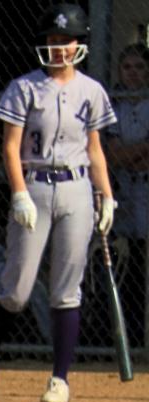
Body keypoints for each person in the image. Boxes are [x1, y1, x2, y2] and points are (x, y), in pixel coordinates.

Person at [0, 4, 116, 402]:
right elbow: (11, 147)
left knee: (67, 289)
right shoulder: (24, 87)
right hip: (35, 187)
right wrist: (18, 193)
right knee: (16, 290)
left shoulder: (91, 91)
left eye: (65, 41)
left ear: (78, 45)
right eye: (52, 41)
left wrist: (106, 195)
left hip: (76, 188)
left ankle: (59, 379)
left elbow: (95, 150)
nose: (59, 49)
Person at [104, 44, 149, 345]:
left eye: (140, 67)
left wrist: (129, 153)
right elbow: (111, 155)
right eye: (127, 67)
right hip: (123, 191)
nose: (133, 73)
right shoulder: (112, 105)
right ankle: (127, 338)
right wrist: (141, 149)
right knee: (128, 267)